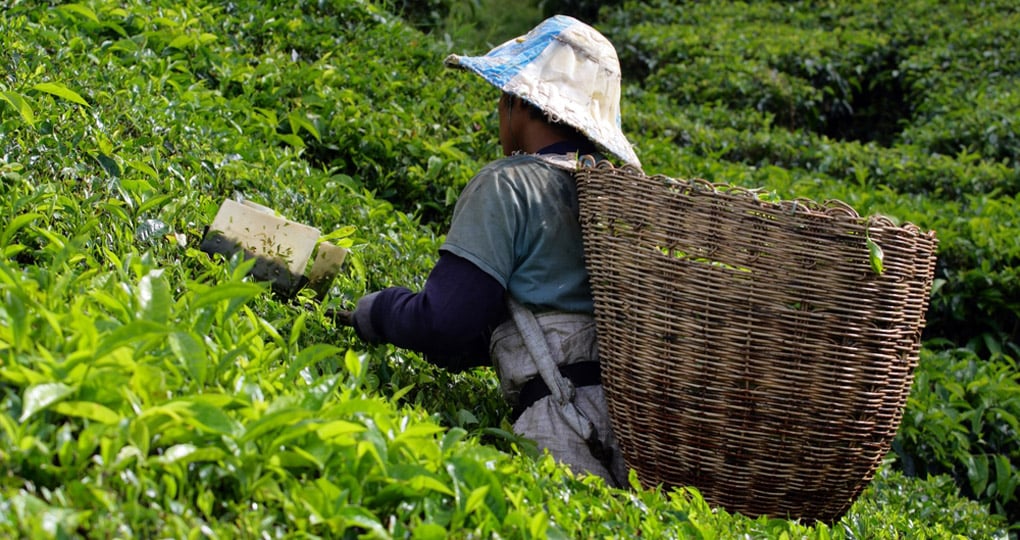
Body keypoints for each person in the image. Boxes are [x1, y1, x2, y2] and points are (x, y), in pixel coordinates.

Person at [346, 15, 641, 487]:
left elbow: (445, 321)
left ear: (518, 103)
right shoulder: (618, 199)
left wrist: (377, 311)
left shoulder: (509, 184)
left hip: (559, 422)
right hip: (637, 433)